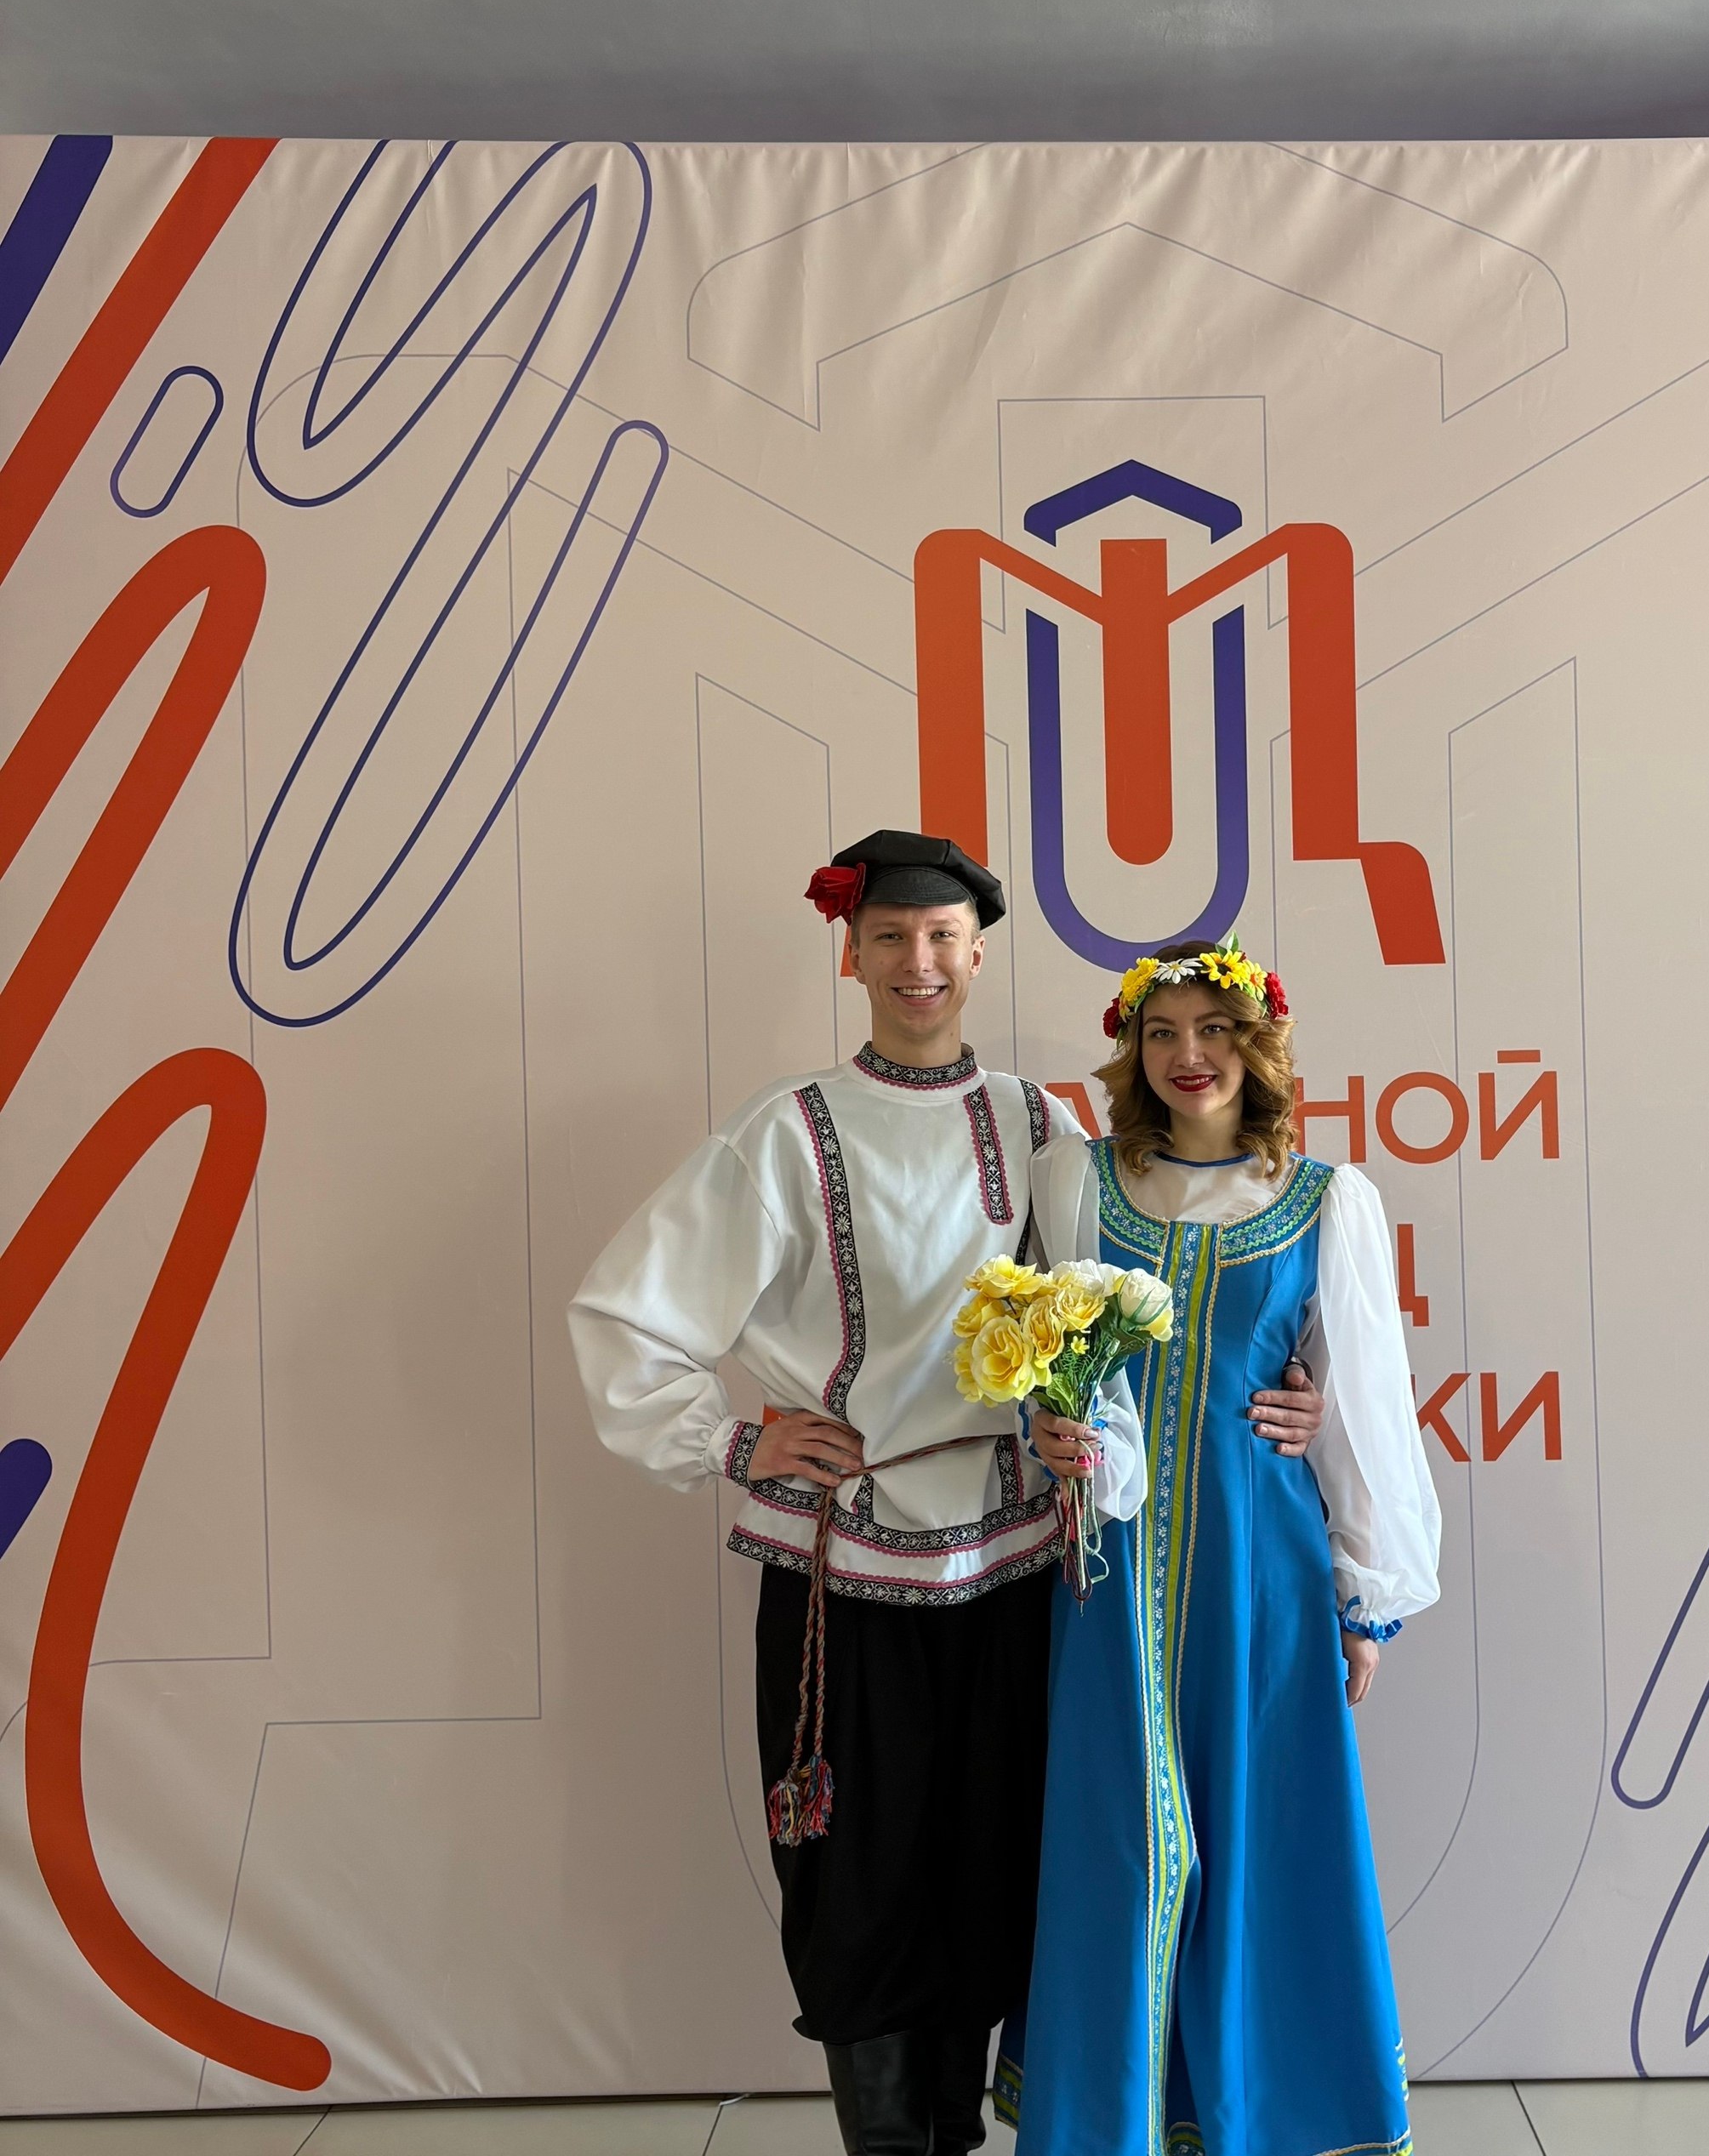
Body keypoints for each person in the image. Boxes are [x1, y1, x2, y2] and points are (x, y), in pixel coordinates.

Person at [567, 839, 1329, 2156]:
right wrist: (734, 1443)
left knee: (996, 1866)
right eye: (889, 938)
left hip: (1020, 1559)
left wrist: (1292, 1386)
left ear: (976, 956)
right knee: (856, 1878)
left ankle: (956, 2135)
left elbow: (1151, 1285)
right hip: (846, 1559)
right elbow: (624, 1314)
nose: (916, 963)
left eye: (941, 939)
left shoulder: (1041, 1127)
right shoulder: (788, 1129)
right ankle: (892, 2146)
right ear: (853, 956)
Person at [1001, 939, 1443, 2156]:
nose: (1187, 1055)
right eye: (1162, 1033)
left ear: (1257, 1047)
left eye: (1213, 1030)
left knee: (1261, 1834)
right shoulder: (1076, 1182)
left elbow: (1362, 1407)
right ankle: (1109, 2123)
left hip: (1265, 1574)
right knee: (1118, 1837)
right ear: (1133, 1051)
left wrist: (1365, 1599)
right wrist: (1044, 1425)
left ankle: (1258, 2117)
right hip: (1109, 1573)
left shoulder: (1327, 1202)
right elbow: (1027, 1358)